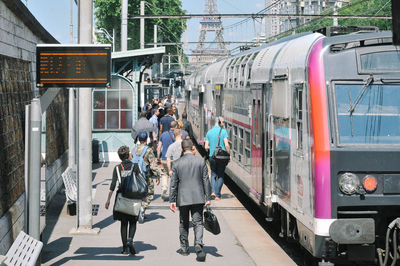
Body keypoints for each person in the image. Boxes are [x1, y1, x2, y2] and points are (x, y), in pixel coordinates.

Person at [169, 139, 211, 262]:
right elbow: (206, 180)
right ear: (193, 148)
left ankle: (184, 248)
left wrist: (172, 200)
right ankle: (198, 243)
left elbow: (173, 184)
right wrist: (208, 197)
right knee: (198, 222)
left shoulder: (176, 163)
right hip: (198, 197)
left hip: (183, 198)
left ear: (182, 149)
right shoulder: (201, 161)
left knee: (183, 222)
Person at [105, 146, 138, 255]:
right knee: (133, 220)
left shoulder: (117, 168)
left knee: (124, 223)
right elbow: (140, 182)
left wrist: (108, 200)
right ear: (128, 155)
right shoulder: (135, 166)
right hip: (133, 196)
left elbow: (113, 185)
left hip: (121, 197)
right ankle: (130, 240)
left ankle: (124, 248)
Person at [134, 131, 162, 223]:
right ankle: (142, 208)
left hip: (135, 176)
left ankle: (139, 212)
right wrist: (157, 176)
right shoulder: (148, 150)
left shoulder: (133, 149)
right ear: (146, 139)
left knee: (138, 194)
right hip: (146, 176)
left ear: (138, 139)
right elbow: (153, 165)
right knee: (149, 194)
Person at [205, 116, 231, 200]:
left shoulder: (209, 132)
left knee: (213, 174)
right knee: (220, 175)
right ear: (219, 122)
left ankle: (212, 191)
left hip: (212, 156)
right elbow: (227, 145)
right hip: (221, 157)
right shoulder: (223, 132)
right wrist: (229, 155)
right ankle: (218, 195)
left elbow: (206, 146)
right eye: (223, 122)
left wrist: (212, 148)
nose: (224, 124)